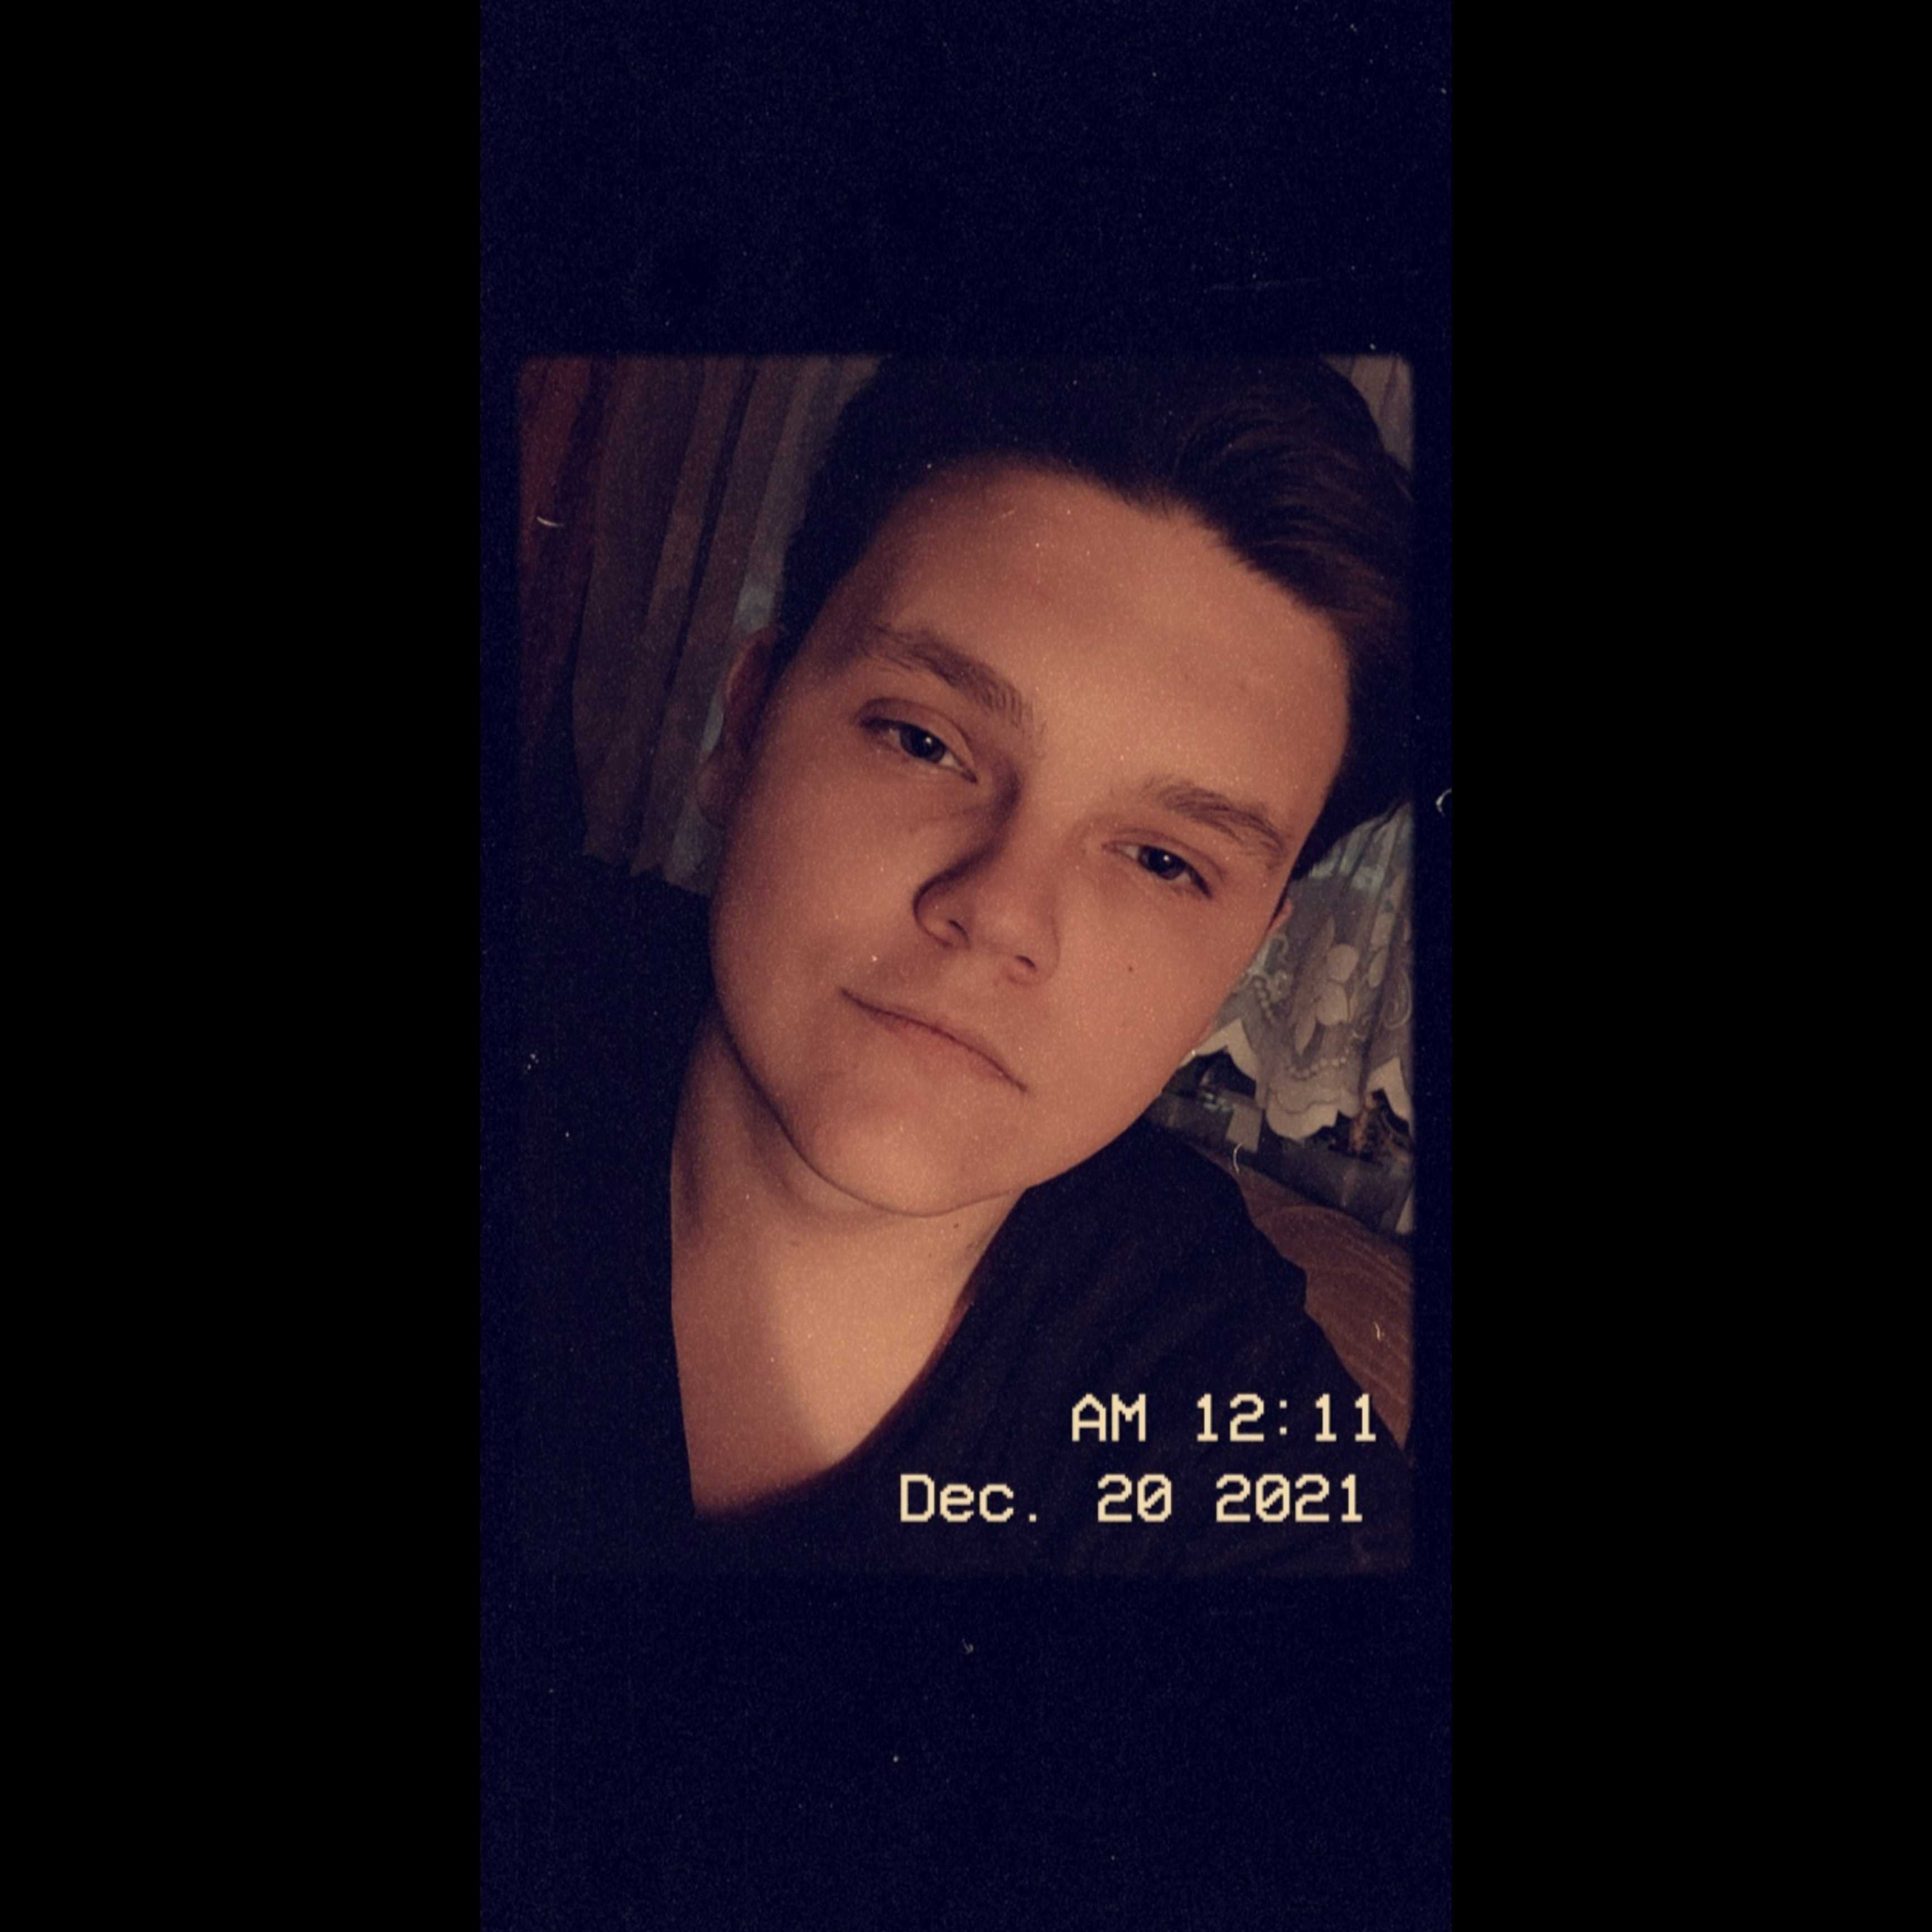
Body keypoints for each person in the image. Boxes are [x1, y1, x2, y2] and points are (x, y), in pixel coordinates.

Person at [516, 356, 1415, 1576]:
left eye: (1163, 860)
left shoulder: (1221, 1405)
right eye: (924, 741)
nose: (999, 913)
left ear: (1248, 950)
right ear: (748, 722)